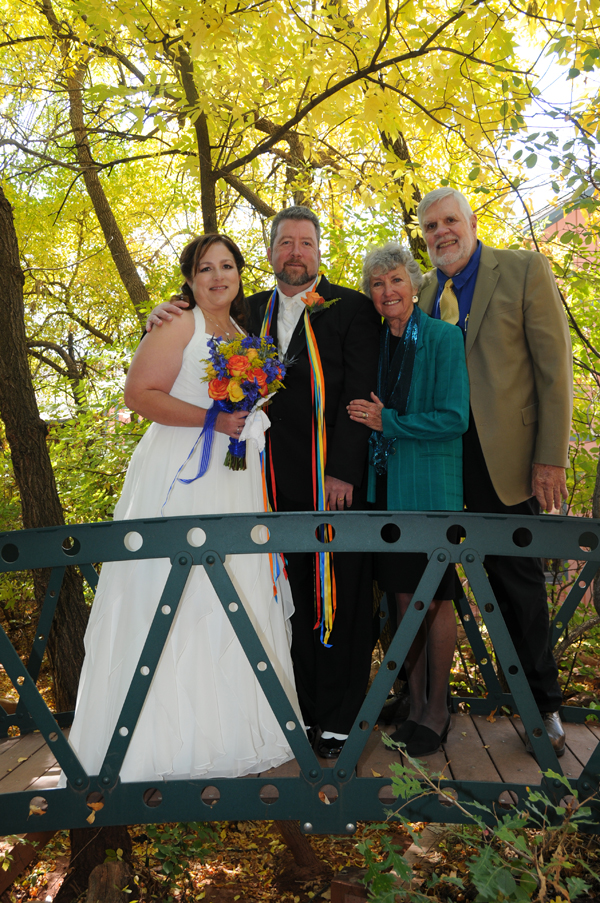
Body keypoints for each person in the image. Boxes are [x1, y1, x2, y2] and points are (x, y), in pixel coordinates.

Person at [65, 234, 300, 782]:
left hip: (234, 478)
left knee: (232, 592)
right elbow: (139, 394)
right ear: (189, 279)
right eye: (205, 268)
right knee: (175, 592)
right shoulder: (177, 323)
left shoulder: (245, 332)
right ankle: (156, 743)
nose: (218, 276)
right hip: (182, 473)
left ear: (241, 273)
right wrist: (212, 421)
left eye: (227, 266)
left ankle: (231, 733)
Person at [147, 208, 380, 759]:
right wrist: (162, 311)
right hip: (265, 483)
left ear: (318, 252)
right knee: (287, 600)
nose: (295, 252)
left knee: (340, 599)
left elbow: (361, 394)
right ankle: (297, 714)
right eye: (285, 243)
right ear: (272, 252)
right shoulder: (247, 311)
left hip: (333, 483)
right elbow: (190, 335)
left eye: (306, 243)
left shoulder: (351, 308)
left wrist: (344, 469)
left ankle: (341, 721)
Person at [416, 187, 573, 756]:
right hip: (437, 464)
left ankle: (543, 710)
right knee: (433, 585)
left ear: (472, 222)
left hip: (504, 461)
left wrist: (550, 455)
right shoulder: (425, 291)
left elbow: (554, 367)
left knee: (519, 587)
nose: (442, 233)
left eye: (450, 221)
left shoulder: (524, 269)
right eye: (431, 226)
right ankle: (428, 706)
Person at [347, 244, 469, 756]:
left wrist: (388, 422)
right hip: (385, 489)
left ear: (414, 284)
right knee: (401, 596)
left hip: (429, 489)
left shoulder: (442, 338)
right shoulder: (376, 341)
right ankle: (414, 702)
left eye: (395, 280)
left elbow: (454, 417)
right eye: (377, 285)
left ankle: (438, 708)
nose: (387, 291)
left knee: (435, 597)